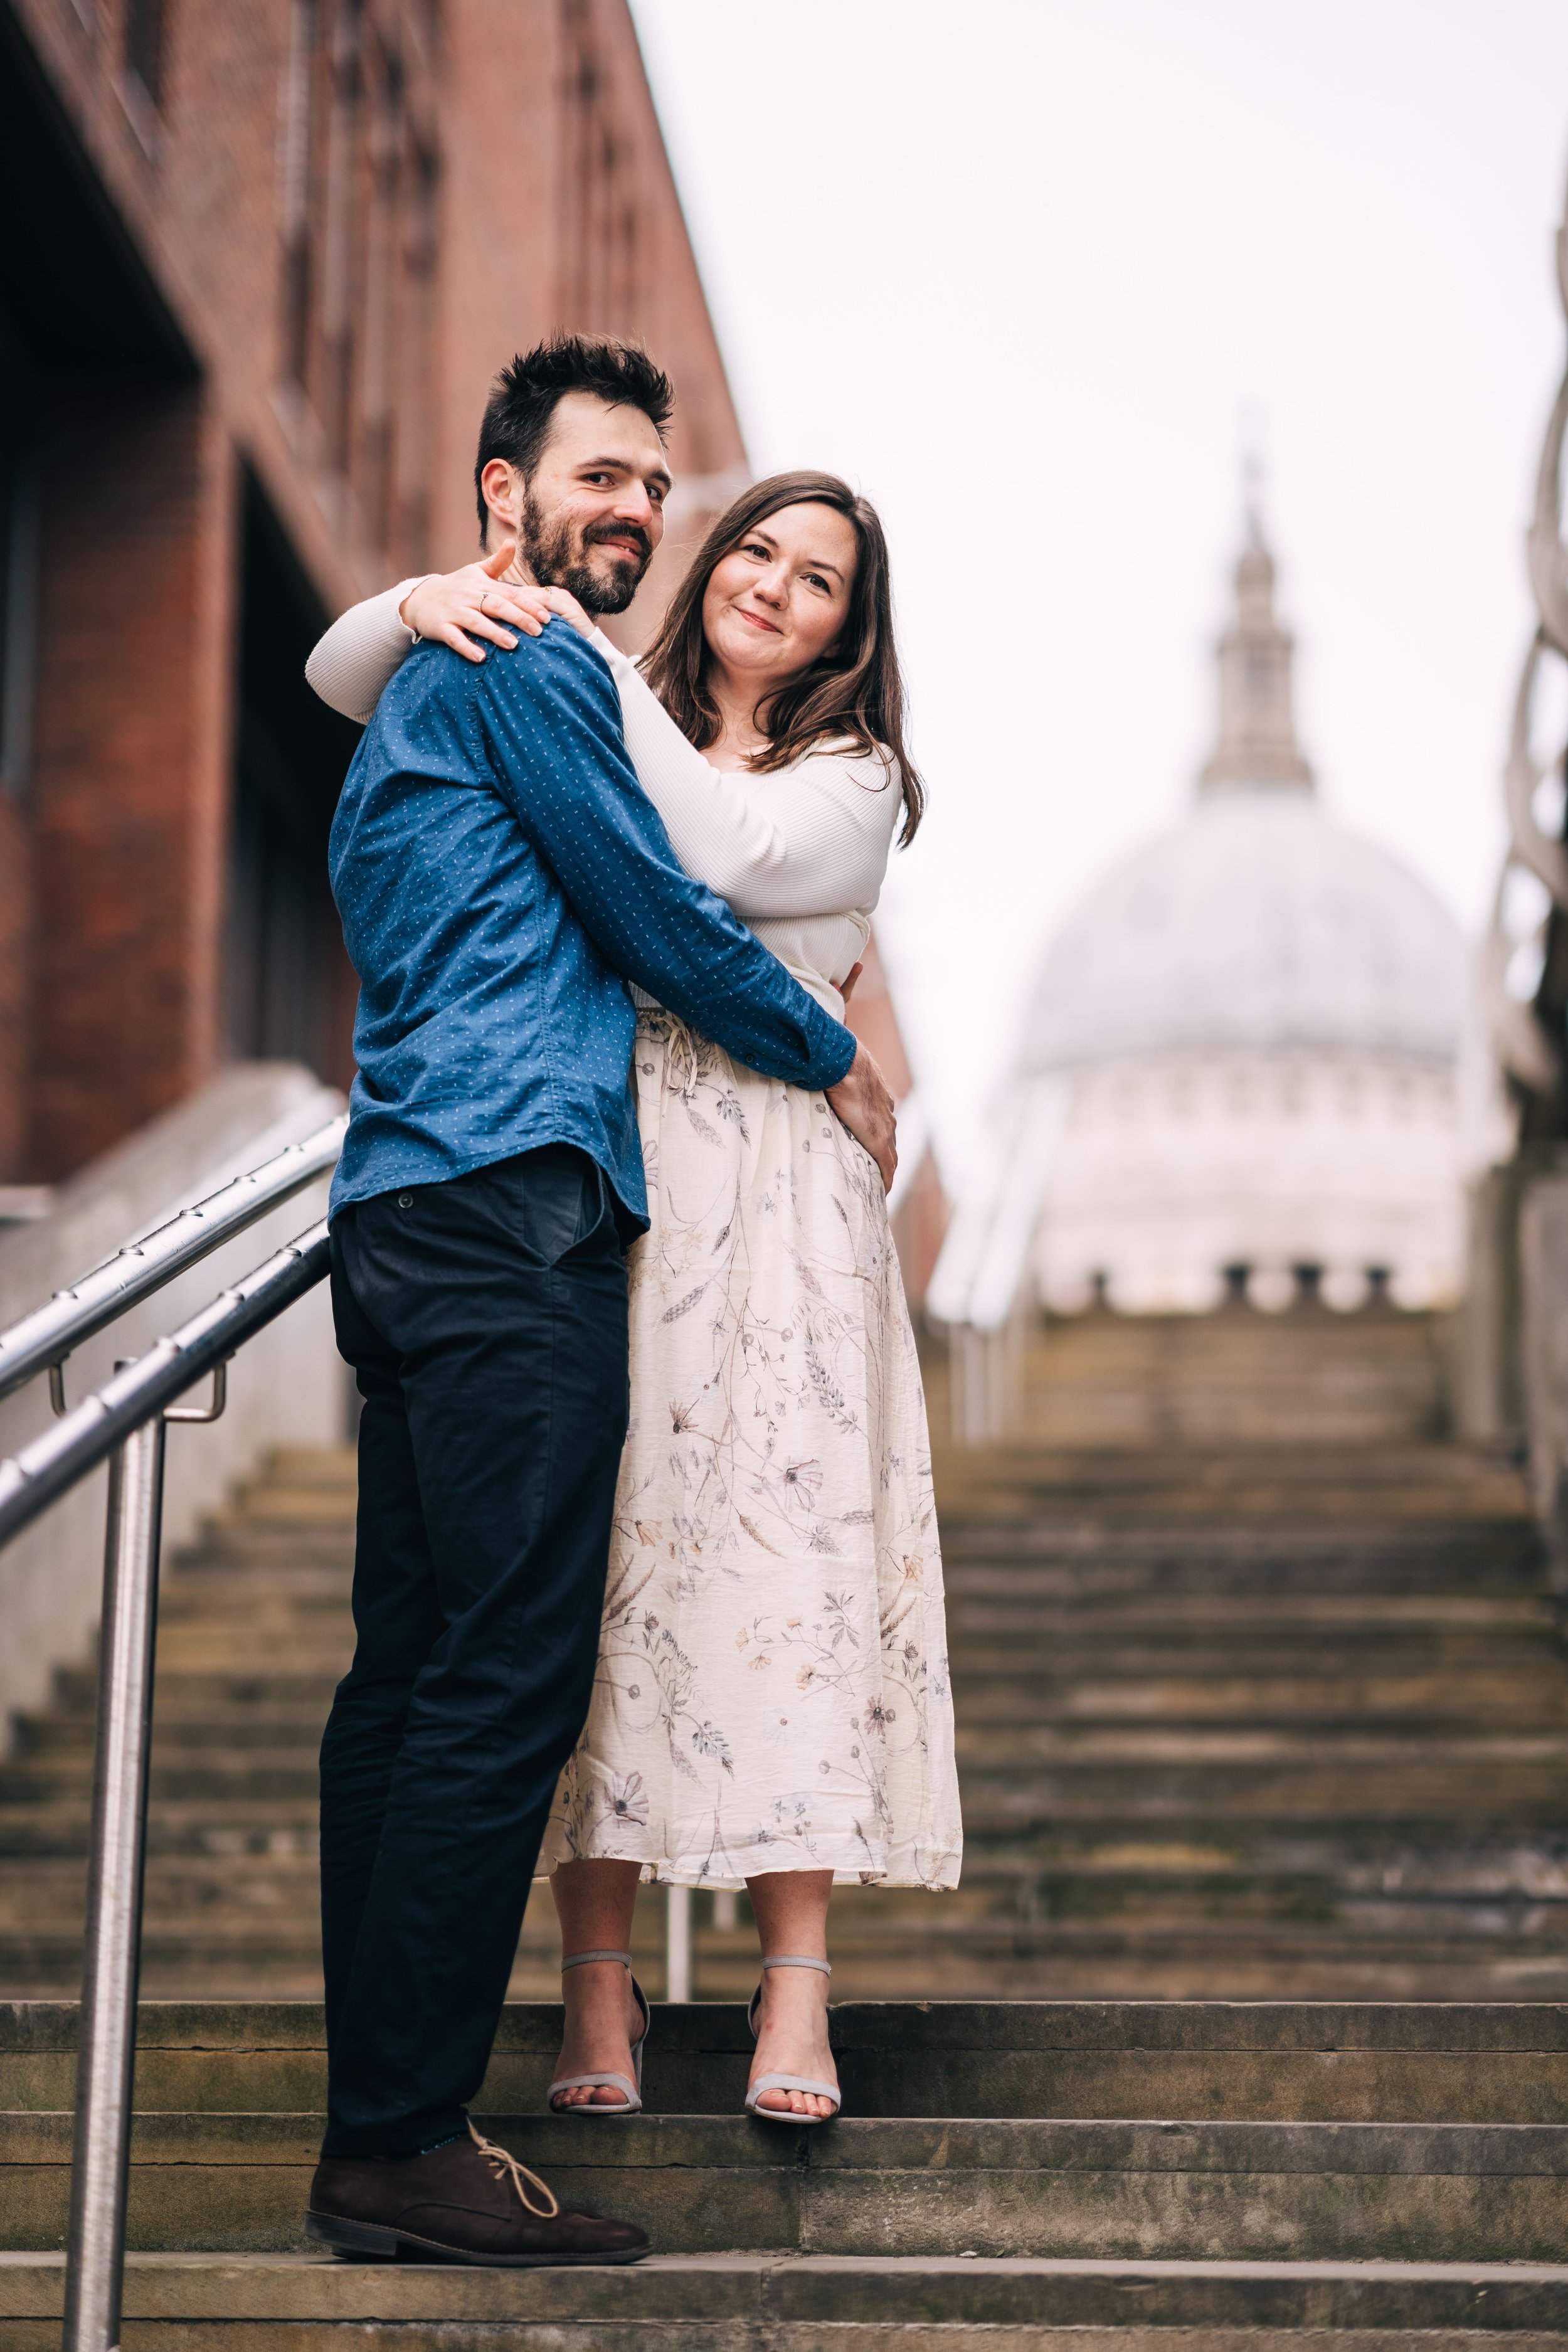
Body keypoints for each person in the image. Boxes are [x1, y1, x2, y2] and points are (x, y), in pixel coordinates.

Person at [303, 336, 899, 2269]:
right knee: (500, 1680)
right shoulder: (532, 663)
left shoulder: (417, 682)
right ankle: (399, 2135)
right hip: (512, 1218)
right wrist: (822, 1053)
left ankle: (379, 2120)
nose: (633, 508)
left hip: (398, 1212)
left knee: (402, 1685)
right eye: (595, 479)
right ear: (505, 498)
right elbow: (656, 907)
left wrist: (393, 605)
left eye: (654, 481)